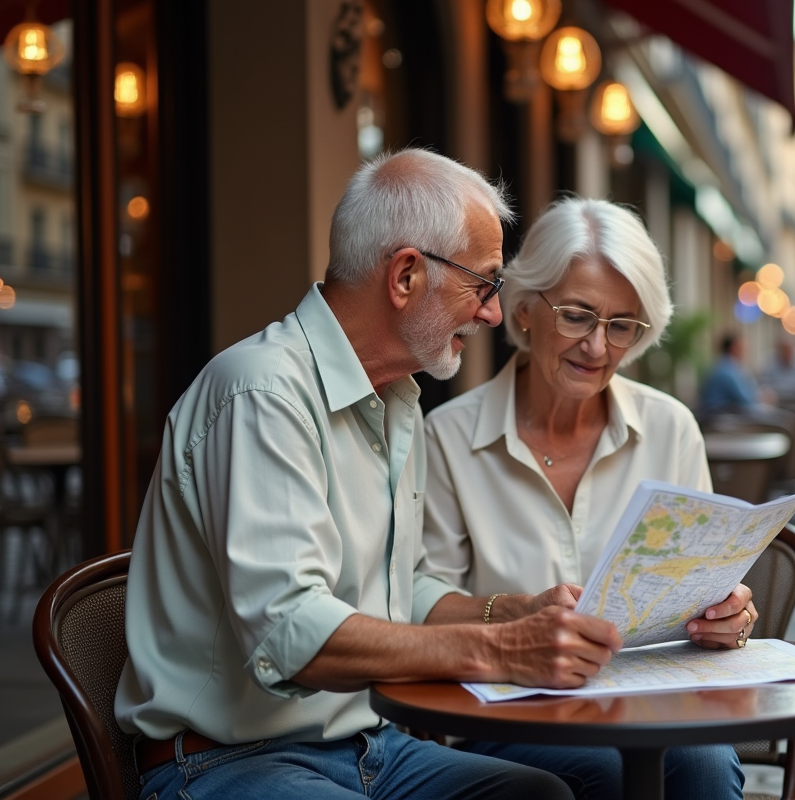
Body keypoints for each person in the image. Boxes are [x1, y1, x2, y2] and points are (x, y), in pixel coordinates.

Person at [115, 150, 626, 800]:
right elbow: (292, 633)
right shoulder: (261, 394)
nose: (494, 314)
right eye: (485, 284)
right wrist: (499, 652)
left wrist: (508, 613)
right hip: (226, 762)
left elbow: (399, 593)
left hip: (369, 746)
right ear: (406, 275)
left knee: (555, 789)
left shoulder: (393, 400)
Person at [421, 198, 753, 799]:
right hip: (510, 706)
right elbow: (418, 596)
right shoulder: (447, 438)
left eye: (622, 325)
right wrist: (515, 611)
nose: (598, 348)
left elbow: (704, 578)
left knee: (705, 764)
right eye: (577, 316)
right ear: (524, 309)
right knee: (602, 770)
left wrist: (727, 612)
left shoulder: (672, 428)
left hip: (653, 698)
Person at [700, 331, 764, 413]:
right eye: (742, 347)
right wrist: (761, 399)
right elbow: (744, 400)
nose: (746, 351)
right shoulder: (726, 369)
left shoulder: (725, 364)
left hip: (721, 414)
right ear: (733, 347)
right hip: (719, 417)